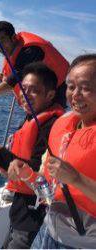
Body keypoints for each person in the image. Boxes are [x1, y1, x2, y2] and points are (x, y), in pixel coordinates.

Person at [0, 62, 65, 248]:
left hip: (34, 211)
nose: (24, 94)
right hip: (21, 206)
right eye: (23, 88)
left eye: (33, 90)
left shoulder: (52, 125)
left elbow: (36, 168)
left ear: (50, 95)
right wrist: (1, 158)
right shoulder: (30, 119)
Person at [29, 54, 96, 249]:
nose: (75, 94)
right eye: (71, 86)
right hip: (49, 231)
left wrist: (76, 179)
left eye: (86, 88)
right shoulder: (66, 127)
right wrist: (23, 172)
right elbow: (46, 176)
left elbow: (72, 180)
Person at [0, 21, 69, 108]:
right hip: (38, 99)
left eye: (2, 41)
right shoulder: (13, 52)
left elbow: (11, 82)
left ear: (13, 38)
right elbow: (14, 77)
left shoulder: (29, 52)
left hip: (54, 97)